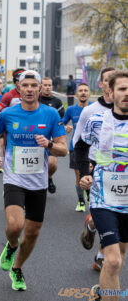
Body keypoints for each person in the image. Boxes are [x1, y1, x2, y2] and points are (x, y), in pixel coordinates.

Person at [0, 70, 67, 291]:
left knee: (32, 233)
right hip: (14, 177)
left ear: (40, 89)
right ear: (19, 89)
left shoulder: (51, 115)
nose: (30, 89)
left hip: (38, 182)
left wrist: (49, 145)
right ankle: (12, 245)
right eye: (26, 86)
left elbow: (63, 150)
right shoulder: (8, 114)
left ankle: (17, 268)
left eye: (34, 85)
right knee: (15, 225)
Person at [77, 71, 128, 300]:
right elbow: (79, 146)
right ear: (110, 92)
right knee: (114, 260)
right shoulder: (97, 121)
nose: (127, 94)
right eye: (122, 89)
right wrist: (84, 173)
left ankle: (102, 292)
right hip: (103, 198)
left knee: (118, 258)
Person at [73, 67, 115, 272]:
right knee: (107, 211)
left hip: (122, 171)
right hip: (97, 167)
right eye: (108, 81)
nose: (112, 85)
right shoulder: (90, 112)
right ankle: (94, 229)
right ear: (102, 85)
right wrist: (86, 172)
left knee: (116, 214)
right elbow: (78, 143)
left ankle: (100, 251)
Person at [62, 82, 90, 211]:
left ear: (89, 93)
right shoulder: (71, 109)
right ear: (77, 94)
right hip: (76, 147)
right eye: (81, 91)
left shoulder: (94, 108)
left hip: (93, 147)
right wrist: (64, 128)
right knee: (79, 174)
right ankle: (81, 201)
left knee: (92, 173)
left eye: (85, 90)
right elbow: (59, 124)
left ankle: (90, 195)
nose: (83, 92)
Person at [39, 77, 65, 194]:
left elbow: (61, 121)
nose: (47, 87)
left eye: (49, 85)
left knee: (52, 164)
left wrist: (63, 128)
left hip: (50, 137)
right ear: (41, 86)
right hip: (35, 136)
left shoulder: (57, 102)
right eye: (45, 85)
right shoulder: (35, 99)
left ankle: (48, 177)